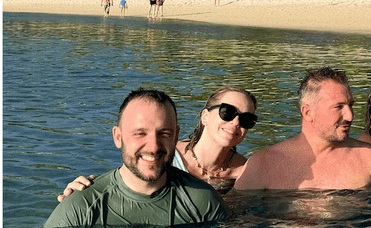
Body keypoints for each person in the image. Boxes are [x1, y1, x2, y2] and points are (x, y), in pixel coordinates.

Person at [44, 88, 229, 228]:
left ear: (175, 136)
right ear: (118, 137)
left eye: (164, 134)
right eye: (140, 134)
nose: (154, 146)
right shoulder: (83, 204)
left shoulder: (203, 200)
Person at [58, 86, 258, 198]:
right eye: (227, 112)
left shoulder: (246, 172)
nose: (235, 122)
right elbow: (128, 181)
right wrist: (87, 189)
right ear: (205, 116)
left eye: (246, 119)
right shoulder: (165, 152)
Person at [234, 68, 371, 190]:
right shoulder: (264, 164)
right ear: (308, 113)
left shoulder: (369, 158)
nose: (350, 116)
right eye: (338, 107)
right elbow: (233, 220)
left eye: (350, 105)